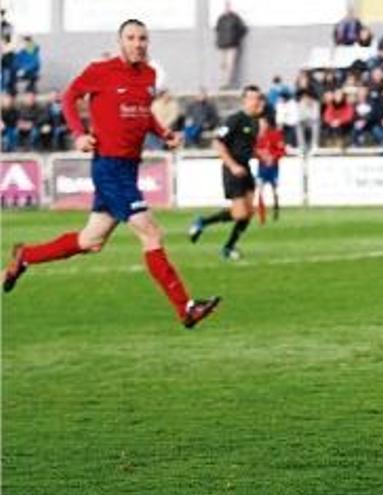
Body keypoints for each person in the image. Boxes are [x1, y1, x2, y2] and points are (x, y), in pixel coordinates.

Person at [2, 19, 220, 328]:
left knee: (91, 240)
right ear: (121, 42)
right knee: (151, 233)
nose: (137, 43)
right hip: (109, 166)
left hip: (128, 168)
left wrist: (164, 133)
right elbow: (69, 97)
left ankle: (26, 256)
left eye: (142, 38)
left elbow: (143, 116)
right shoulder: (101, 71)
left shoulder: (149, 75)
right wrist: (78, 133)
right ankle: (186, 307)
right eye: (131, 38)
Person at [188, 85, 263, 261]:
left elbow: (245, 146)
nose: (256, 101)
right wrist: (233, 166)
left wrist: (260, 155)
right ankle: (202, 222)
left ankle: (228, 248)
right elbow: (218, 143)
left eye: (258, 98)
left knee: (250, 211)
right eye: (252, 98)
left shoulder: (255, 122)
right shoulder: (235, 119)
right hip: (232, 169)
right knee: (240, 214)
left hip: (246, 167)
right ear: (244, 100)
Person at [255, 115, 285, 223]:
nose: (261, 126)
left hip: (273, 167)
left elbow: (282, 150)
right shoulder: (257, 137)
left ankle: (275, 211)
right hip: (262, 167)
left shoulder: (275, 134)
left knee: (274, 190)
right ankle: (262, 217)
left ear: (267, 124)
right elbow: (254, 150)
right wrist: (260, 155)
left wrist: (273, 157)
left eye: (263, 123)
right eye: (260, 124)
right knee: (260, 190)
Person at [215, 1, 248, 89]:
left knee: (230, 65)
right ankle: (222, 83)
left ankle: (227, 84)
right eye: (225, 6)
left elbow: (243, 29)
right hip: (222, 45)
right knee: (223, 65)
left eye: (228, 6)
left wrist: (236, 38)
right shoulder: (221, 18)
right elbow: (217, 29)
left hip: (232, 45)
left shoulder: (235, 18)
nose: (227, 8)